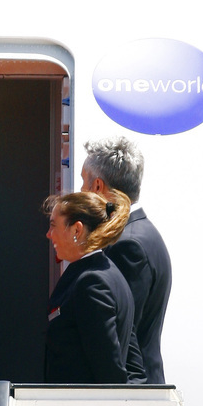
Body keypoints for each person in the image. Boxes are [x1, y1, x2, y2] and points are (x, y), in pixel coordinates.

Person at [36, 191, 152, 406]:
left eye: (53, 225)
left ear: (77, 229)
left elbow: (110, 366)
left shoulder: (91, 281)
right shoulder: (108, 273)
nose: (48, 235)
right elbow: (133, 364)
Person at [82, 136, 171, 384]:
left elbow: (122, 334)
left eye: (83, 181)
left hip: (133, 397)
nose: (80, 191)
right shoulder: (140, 233)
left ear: (98, 187)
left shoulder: (128, 245)